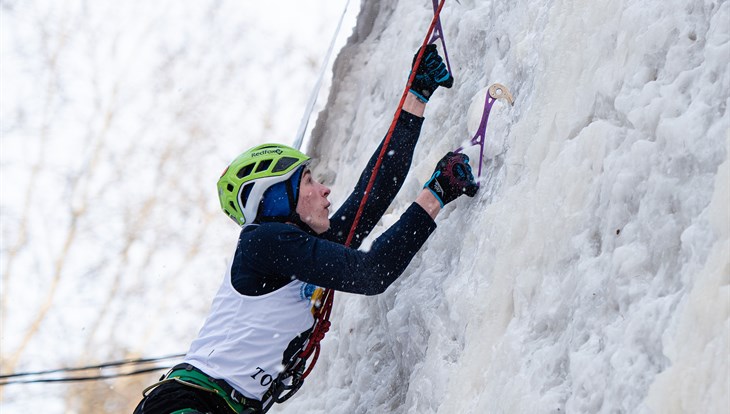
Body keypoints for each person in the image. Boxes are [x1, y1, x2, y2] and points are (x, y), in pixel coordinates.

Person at [134, 44, 478, 414]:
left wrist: (417, 96)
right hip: (188, 403)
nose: (325, 189)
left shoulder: (291, 252)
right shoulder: (263, 243)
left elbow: (370, 198)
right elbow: (371, 273)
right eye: (310, 181)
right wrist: (435, 195)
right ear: (278, 198)